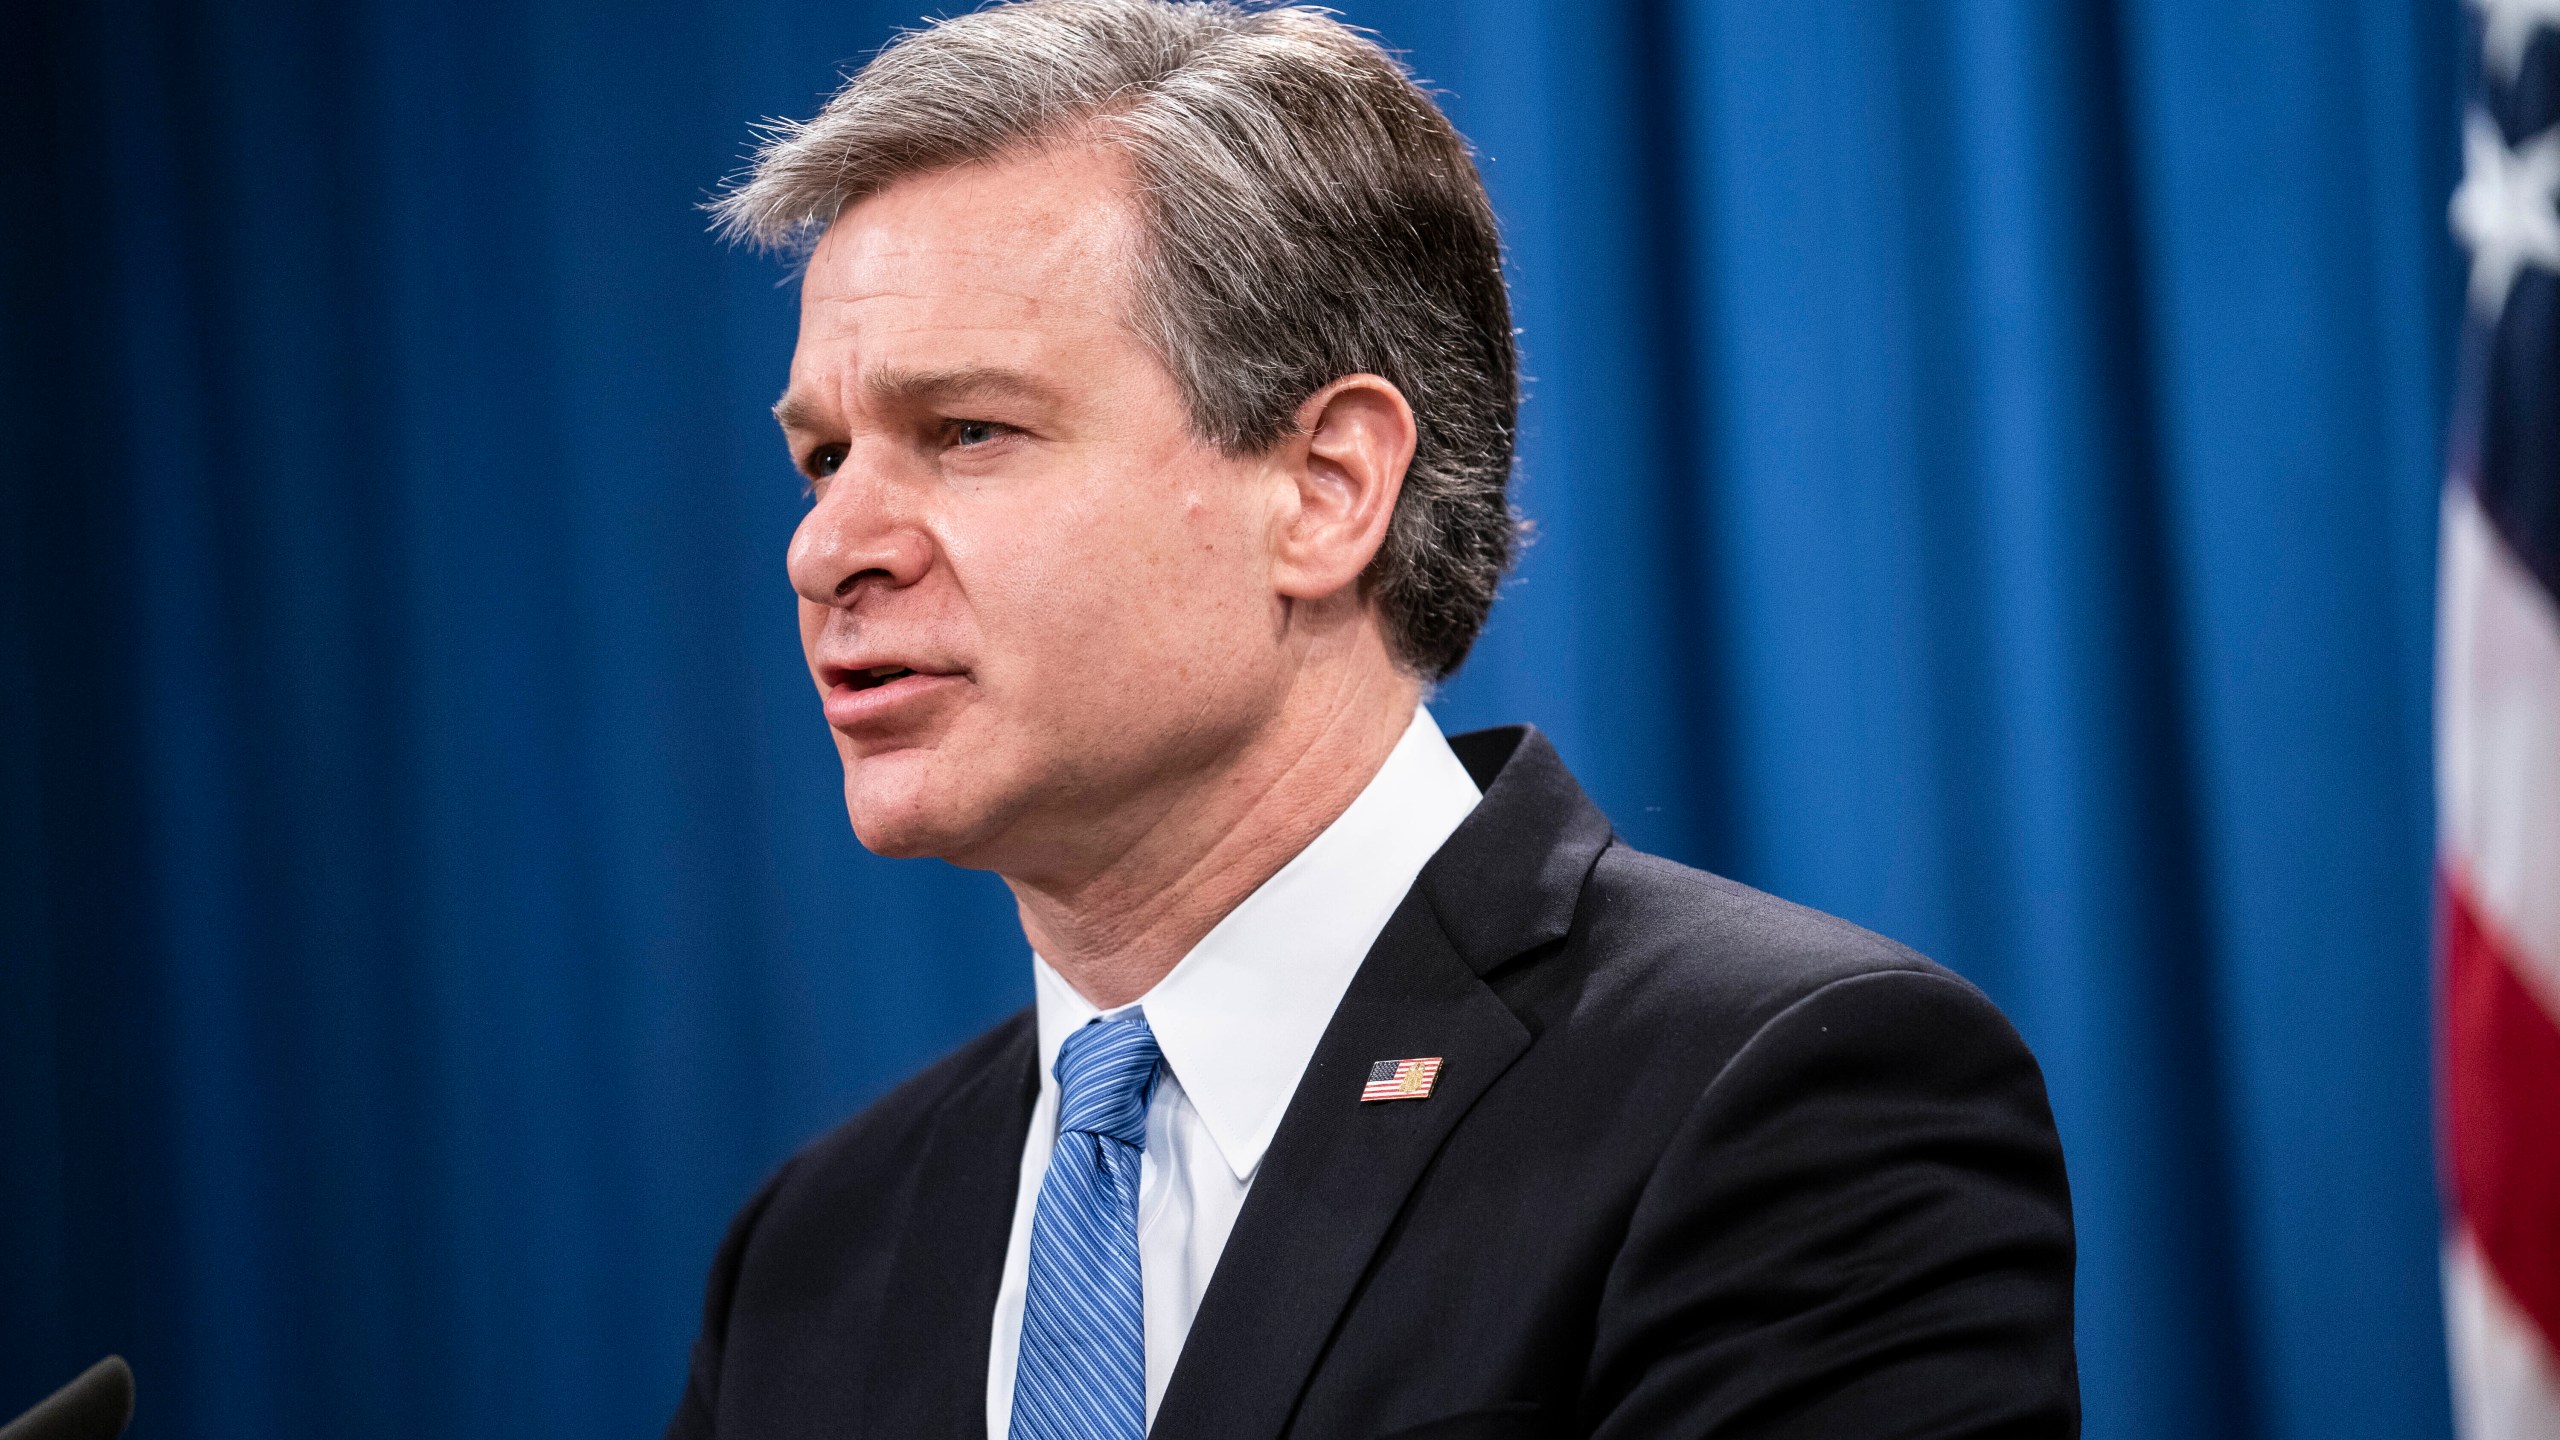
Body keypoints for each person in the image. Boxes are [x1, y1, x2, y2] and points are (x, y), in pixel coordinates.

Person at [667, 2, 2078, 1436]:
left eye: (969, 431)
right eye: (824, 457)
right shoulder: (810, 1254)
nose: (829, 547)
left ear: (1327, 488)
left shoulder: (1782, 1099)